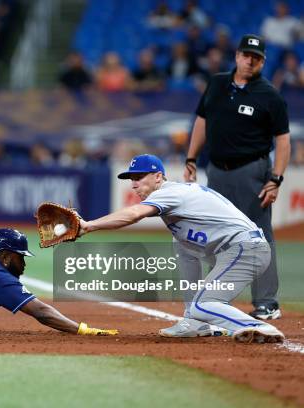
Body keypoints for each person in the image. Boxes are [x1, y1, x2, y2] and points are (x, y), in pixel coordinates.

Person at [78, 154, 285, 344]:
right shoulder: (178, 192)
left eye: (139, 177)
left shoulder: (170, 194)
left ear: (158, 177)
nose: (134, 184)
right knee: (180, 243)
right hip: (233, 250)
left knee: (203, 305)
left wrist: (89, 225)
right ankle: (194, 322)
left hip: (246, 250)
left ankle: (257, 326)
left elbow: (133, 214)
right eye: (131, 179)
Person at [183, 34, 291, 320]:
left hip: (251, 171)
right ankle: (216, 299)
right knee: (216, 236)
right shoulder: (217, 83)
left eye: (256, 57)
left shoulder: (270, 95)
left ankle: (267, 302)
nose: (250, 60)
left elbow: (283, 140)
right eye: (246, 54)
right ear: (237, 56)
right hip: (217, 171)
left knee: (259, 236)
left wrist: (276, 178)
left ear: (263, 61)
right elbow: (202, 121)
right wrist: (191, 158)